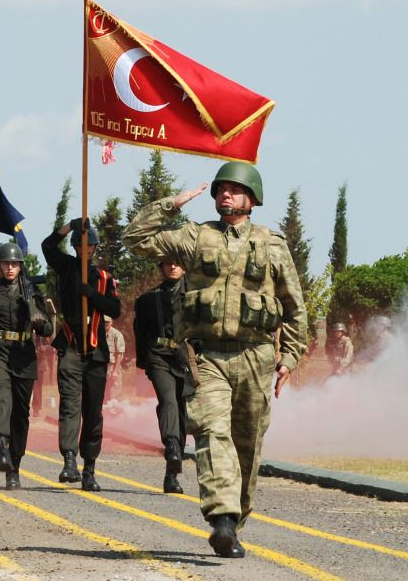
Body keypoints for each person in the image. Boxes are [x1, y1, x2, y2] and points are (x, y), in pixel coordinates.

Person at [124, 161, 306, 559]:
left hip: (257, 358)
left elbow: (294, 308)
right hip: (207, 357)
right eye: (220, 188)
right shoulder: (195, 238)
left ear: (252, 199)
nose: (225, 193)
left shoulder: (271, 245)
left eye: (234, 189)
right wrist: (172, 203)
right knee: (211, 431)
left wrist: (289, 357)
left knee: (246, 447)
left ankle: (233, 525)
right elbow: (135, 237)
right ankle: (221, 517)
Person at [42, 219, 122, 491]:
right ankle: (68, 459)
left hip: (97, 352)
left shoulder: (104, 279)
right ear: (75, 247)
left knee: (93, 411)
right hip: (72, 347)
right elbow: (47, 246)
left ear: (95, 248)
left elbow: (116, 308)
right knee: (70, 406)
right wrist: (68, 227)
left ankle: (89, 468)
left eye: (89, 244)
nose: (85, 248)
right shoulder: (66, 268)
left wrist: (93, 296)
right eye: (80, 244)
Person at [0, 242, 52, 490]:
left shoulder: (32, 293)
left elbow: (49, 329)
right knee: (0, 397)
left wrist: (39, 321)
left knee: (21, 415)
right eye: (6, 263)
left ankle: (14, 467)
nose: (10, 268)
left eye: (14, 264)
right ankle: (2, 446)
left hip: (24, 355)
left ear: (20, 267)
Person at [132, 259, 189, 494]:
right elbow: (140, 332)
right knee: (168, 400)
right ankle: (172, 446)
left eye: (177, 263)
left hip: (188, 360)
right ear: (161, 267)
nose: (172, 267)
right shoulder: (148, 300)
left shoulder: (199, 296)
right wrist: (146, 363)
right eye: (166, 263)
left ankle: (171, 475)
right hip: (159, 357)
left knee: (182, 412)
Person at [104, 317, 126, 403]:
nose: (106, 324)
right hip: (102, 368)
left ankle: (116, 415)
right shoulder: (99, 334)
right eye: (104, 322)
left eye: (107, 322)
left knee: (114, 394)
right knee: (104, 395)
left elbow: (119, 354)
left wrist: (115, 371)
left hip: (112, 367)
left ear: (111, 322)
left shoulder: (117, 334)